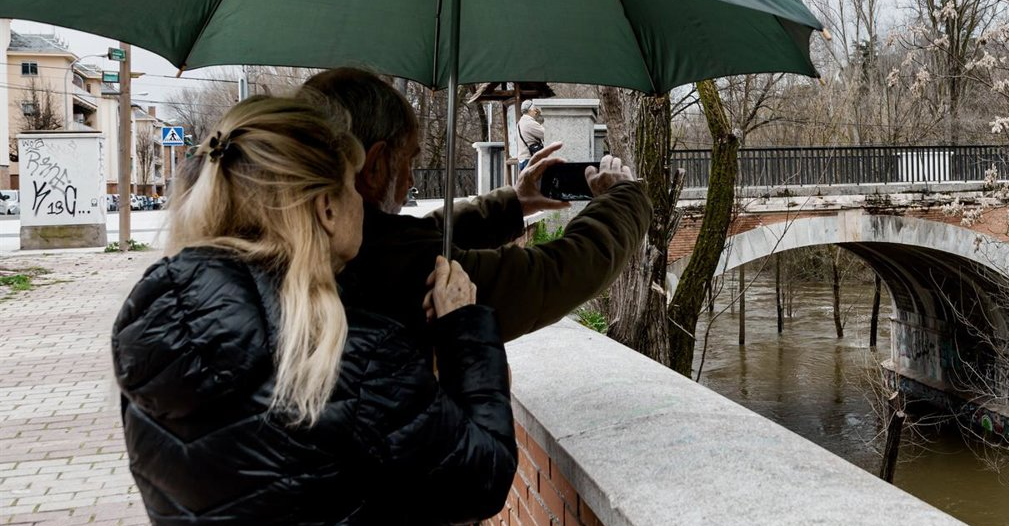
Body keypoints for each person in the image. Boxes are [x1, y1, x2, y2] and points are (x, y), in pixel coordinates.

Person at [112, 96, 514, 525]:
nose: (362, 203)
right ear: (327, 208)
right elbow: (480, 481)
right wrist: (464, 335)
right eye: (352, 186)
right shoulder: (353, 357)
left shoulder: (151, 330)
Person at [300, 68, 650, 341]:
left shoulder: (305, 235)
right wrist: (624, 198)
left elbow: (423, 233)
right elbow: (547, 278)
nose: (411, 180)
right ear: (375, 165)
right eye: (408, 160)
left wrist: (514, 203)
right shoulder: (381, 258)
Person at [517, 101, 545, 167]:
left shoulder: (520, 122)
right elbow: (547, 134)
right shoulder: (530, 123)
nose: (535, 111)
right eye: (534, 109)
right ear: (529, 110)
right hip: (529, 158)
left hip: (523, 159)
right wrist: (542, 115)